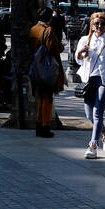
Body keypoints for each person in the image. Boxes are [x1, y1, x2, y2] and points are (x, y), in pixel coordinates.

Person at [76, 12, 105, 158]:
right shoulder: (84, 40)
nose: (99, 26)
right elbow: (78, 60)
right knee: (89, 114)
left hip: (104, 81)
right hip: (88, 81)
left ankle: (93, 145)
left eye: (102, 24)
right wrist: (81, 52)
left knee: (97, 112)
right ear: (92, 25)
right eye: (96, 24)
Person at [28, 7, 66, 137]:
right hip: (46, 68)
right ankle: (45, 126)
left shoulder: (33, 29)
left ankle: (39, 124)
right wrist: (61, 46)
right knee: (47, 98)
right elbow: (53, 48)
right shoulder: (48, 31)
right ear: (49, 18)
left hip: (35, 67)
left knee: (40, 97)